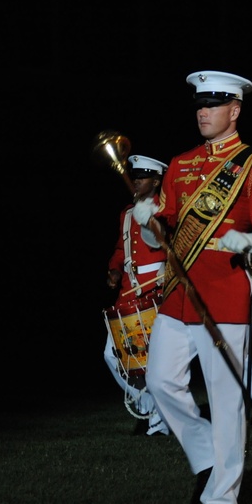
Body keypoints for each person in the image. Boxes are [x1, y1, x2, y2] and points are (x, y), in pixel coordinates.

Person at [134, 70, 252, 504]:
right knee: (162, 382)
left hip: (223, 293)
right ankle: (207, 458)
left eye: (214, 104)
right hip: (179, 293)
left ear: (235, 110)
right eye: (200, 104)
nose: (203, 111)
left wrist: (250, 242)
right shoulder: (180, 164)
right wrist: (147, 220)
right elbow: (155, 241)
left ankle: (222, 496)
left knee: (225, 398)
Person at [104, 154, 171, 436]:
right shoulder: (127, 213)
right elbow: (122, 248)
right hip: (128, 293)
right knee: (113, 355)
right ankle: (147, 407)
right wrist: (115, 270)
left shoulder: (164, 211)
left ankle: (159, 422)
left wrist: (166, 275)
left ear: (156, 182)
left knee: (153, 360)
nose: (136, 181)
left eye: (142, 177)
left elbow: (172, 249)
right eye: (135, 176)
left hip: (154, 292)